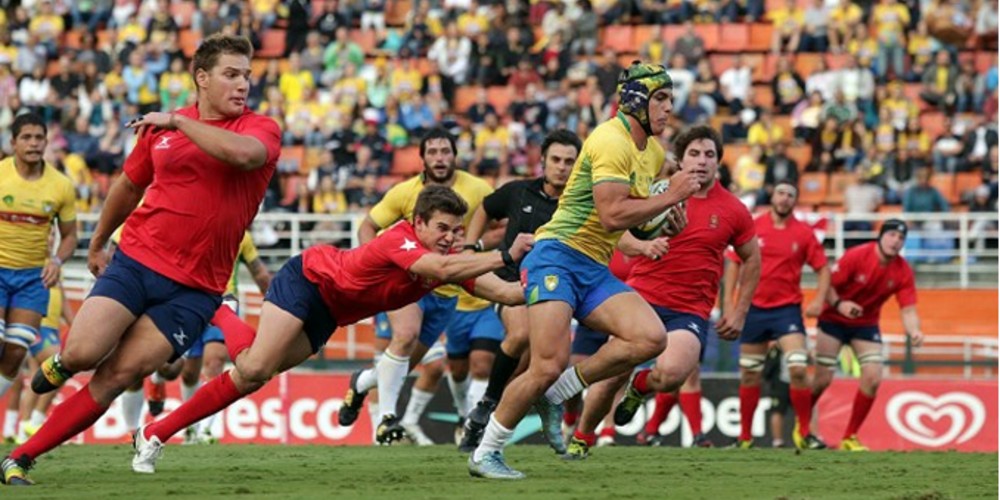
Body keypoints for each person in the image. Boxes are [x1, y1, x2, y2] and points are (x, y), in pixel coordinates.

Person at [2, 34, 281, 487]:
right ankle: (64, 363)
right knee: (83, 352)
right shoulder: (159, 133)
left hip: (195, 290)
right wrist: (97, 242)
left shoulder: (259, 128)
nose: (243, 84)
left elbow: (244, 157)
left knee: (117, 376)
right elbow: (129, 187)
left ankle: (19, 458)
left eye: (247, 75)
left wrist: (175, 121)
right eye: (231, 75)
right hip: (136, 261)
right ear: (202, 78)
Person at [131, 186, 533, 472]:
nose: (450, 238)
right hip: (307, 279)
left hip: (330, 313)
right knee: (253, 371)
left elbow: (509, 294)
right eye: (442, 228)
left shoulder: (445, 259)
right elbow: (445, 268)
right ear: (419, 223)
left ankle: (219, 314)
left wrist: (544, 278)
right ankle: (156, 435)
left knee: (253, 371)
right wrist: (503, 253)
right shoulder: (401, 241)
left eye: (456, 231)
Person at [468, 62, 700, 480]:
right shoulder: (611, 139)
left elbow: (634, 218)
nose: (669, 107)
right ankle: (486, 452)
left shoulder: (651, 152)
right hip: (556, 255)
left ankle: (559, 394)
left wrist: (667, 216)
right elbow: (612, 215)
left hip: (593, 264)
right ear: (635, 100)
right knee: (544, 365)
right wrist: (672, 196)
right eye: (660, 98)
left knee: (650, 337)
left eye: (670, 98)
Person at [572, 125, 760, 459]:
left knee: (672, 375)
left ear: (719, 161)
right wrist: (643, 245)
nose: (702, 161)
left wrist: (739, 310)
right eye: (694, 154)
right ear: (680, 158)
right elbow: (616, 231)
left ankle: (640, 387)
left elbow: (752, 259)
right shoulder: (655, 194)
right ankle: (583, 437)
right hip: (640, 298)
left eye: (709, 155)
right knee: (611, 375)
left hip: (690, 310)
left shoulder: (733, 209)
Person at [338, 128, 495, 445]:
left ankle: (362, 382)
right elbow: (368, 225)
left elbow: (500, 229)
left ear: (455, 155)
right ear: (422, 158)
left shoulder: (478, 189)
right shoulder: (403, 192)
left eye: (445, 151)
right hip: (405, 283)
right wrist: (372, 266)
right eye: (433, 152)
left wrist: (473, 245)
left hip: (447, 290)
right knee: (405, 336)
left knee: (405, 365)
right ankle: (386, 423)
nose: (439, 158)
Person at [459, 129, 586, 453]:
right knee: (520, 336)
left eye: (569, 161)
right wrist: (471, 249)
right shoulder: (518, 192)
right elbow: (486, 208)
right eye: (556, 159)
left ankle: (488, 417)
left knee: (546, 364)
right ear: (542, 161)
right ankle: (487, 404)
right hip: (512, 284)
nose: (561, 167)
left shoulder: (581, 204)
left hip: (558, 292)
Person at [723, 181, 830, 450]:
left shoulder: (804, 233)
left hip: (787, 310)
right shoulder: (753, 225)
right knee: (750, 375)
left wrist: (819, 299)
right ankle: (745, 438)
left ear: (795, 201)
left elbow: (824, 269)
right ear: (772, 195)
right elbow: (734, 264)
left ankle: (804, 433)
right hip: (754, 309)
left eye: (790, 195)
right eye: (781, 193)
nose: (784, 199)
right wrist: (728, 305)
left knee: (797, 367)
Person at [812, 220, 924, 451]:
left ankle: (849, 437)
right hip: (833, 318)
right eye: (891, 235)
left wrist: (914, 331)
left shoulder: (902, 271)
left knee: (873, 378)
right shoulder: (856, 256)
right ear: (880, 236)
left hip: (865, 325)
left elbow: (909, 309)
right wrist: (840, 304)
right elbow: (827, 285)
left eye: (901, 238)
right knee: (822, 379)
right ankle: (803, 424)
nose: (896, 241)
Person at [0, 113, 78, 407]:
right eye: (26, 137)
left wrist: (57, 261)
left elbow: (70, 235)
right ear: (13, 143)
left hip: (33, 278)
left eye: (39, 138)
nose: (33, 143)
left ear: (46, 142)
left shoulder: (60, 186)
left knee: (14, 356)